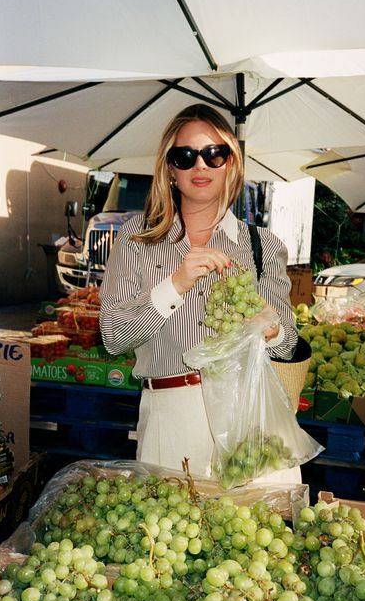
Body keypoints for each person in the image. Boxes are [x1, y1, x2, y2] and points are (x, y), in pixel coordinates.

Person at [99, 103, 300, 484]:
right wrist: (175, 284)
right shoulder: (136, 239)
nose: (200, 166)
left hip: (248, 417)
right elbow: (112, 337)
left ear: (231, 164)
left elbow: (288, 344)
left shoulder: (263, 246)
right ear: (170, 170)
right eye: (186, 156)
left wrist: (271, 329)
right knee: (174, 536)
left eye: (214, 154)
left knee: (254, 537)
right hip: (171, 417)